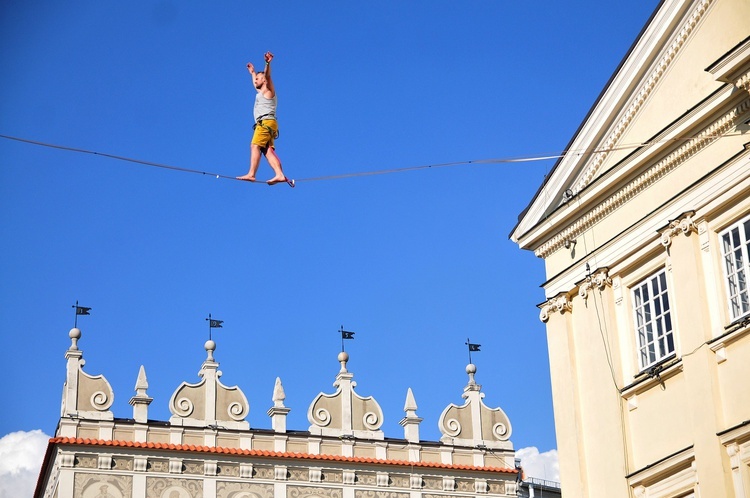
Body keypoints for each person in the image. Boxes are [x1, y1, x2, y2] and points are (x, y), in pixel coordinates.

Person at [237, 51, 287, 185]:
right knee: (267, 151)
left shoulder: (269, 90)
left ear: (264, 80)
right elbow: (256, 84)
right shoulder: (261, 92)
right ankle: (280, 174)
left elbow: (268, 76)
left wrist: (267, 63)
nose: (255, 81)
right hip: (269, 124)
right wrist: (253, 73)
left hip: (265, 123)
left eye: (258, 79)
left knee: (254, 146)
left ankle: (251, 174)